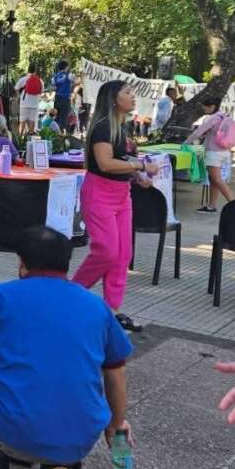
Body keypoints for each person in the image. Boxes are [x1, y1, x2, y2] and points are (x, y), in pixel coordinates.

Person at [0, 226, 133, 469]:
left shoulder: (0, 296)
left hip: (13, 433)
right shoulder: (97, 307)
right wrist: (117, 424)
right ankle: (57, 465)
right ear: (67, 263)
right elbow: (116, 370)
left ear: (21, 263)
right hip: (81, 437)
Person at [73, 80, 159, 333]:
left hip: (122, 195)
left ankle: (112, 310)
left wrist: (137, 176)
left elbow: (122, 161)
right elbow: (106, 163)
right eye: (128, 93)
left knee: (123, 255)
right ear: (113, 98)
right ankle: (70, 293)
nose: (133, 97)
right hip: (100, 193)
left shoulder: (123, 128)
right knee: (106, 251)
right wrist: (141, 167)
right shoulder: (102, 128)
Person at [184, 97, 235, 213]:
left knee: (217, 180)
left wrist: (185, 143)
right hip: (224, 152)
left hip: (214, 153)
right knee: (214, 180)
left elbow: (198, 132)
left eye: (205, 107)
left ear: (212, 106)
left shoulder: (213, 118)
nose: (203, 109)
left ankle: (234, 205)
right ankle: (211, 206)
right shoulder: (224, 116)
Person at [15, 65, 43, 135]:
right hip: (34, 104)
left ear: (28, 70)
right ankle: (30, 139)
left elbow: (16, 89)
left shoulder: (23, 79)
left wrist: (19, 97)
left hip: (24, 103)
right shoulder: (40, 80)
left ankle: (20, 139)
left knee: (22, 122)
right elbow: (41, 92)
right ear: (35, 71)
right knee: (32, 122)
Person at [51, 60, 76, 130]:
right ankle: (62, 135)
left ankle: (54, 133)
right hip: (65, 99)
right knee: (64, 118)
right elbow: (76, 81)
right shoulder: (69, 75)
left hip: (57, 99)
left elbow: (53, 87)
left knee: (56, 117)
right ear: (66, 67)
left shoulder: (54, 77)